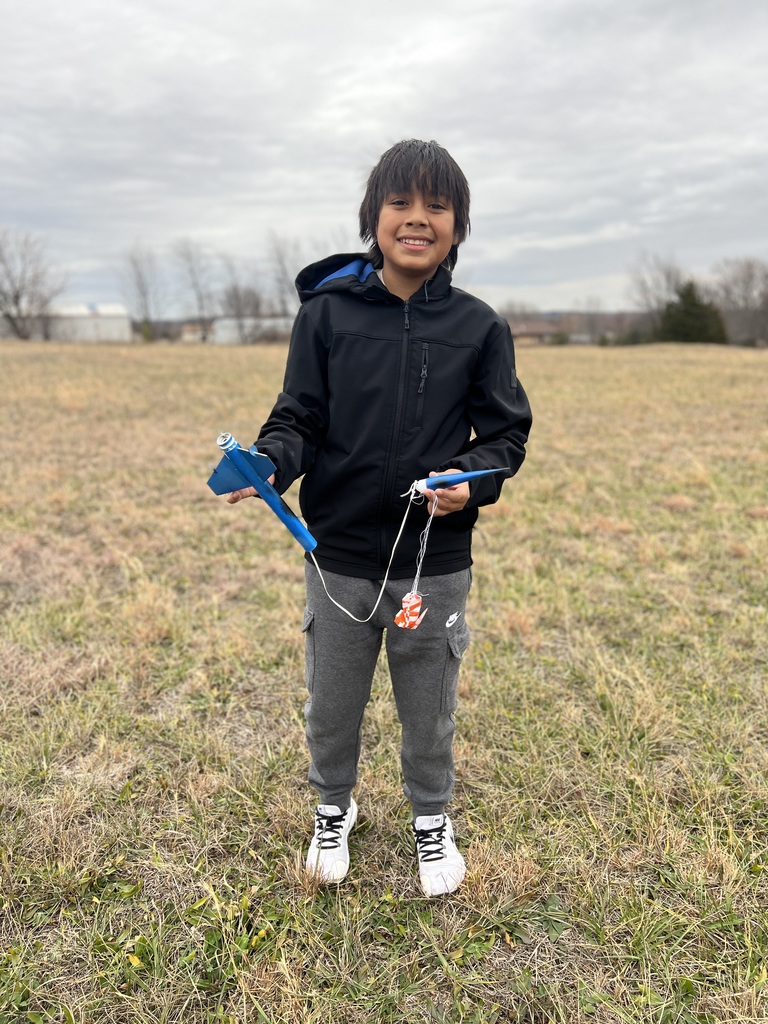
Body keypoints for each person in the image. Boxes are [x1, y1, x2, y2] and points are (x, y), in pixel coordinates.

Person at [226, 139, 532, 896]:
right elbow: (298, 416)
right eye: (401, 202)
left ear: (458, 226)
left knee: (428, 707)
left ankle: (432, 818)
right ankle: (334, 807)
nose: (418, 218)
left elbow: (504, 437)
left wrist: (471, 485)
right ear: (374, 216)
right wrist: (270, 462)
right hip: (337, 555)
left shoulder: (479, 327)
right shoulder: (326, 315)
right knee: (331, 704)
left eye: (437, 206)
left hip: (434, 559)